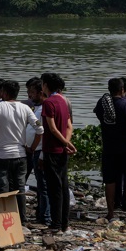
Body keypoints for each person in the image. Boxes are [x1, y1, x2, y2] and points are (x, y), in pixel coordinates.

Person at [0, 80, 42, 224]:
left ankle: (5, 219)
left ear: (4, 92)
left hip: (1, 155)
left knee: (4, 188)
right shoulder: (26, 108)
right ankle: (22, 219)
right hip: (20, 155)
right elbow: (40, 129)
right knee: (20, 187)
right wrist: (32, 148)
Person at [94, 77, 126, 223]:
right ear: (122, 90)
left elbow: (98, 114)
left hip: (109, 148)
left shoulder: (103, 103)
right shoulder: (125, 104)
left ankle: (110, 213)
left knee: (110, 180)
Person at [41, 72, 75, 233]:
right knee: (63, 185)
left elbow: (53, 129)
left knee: (54, 188)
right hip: (61, 150)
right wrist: (67, 143)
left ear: (46, 85)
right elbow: (69, 127)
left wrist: (65, 143)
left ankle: (56, 224)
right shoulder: (62, 101)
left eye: (42, 84)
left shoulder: (49, 102)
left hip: (52, 149)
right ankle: (64, 223)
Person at [25, 77, 50, 226]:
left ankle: (45, 217)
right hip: (34, 150)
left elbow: (43, 133)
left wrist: (37, 151)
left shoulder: (44, 108)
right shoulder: (37, 107)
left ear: (41, 92)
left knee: (43, 186)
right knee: (41, 185)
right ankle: (42, 214)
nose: (29, 96)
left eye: (32, 92)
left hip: (39, 150)